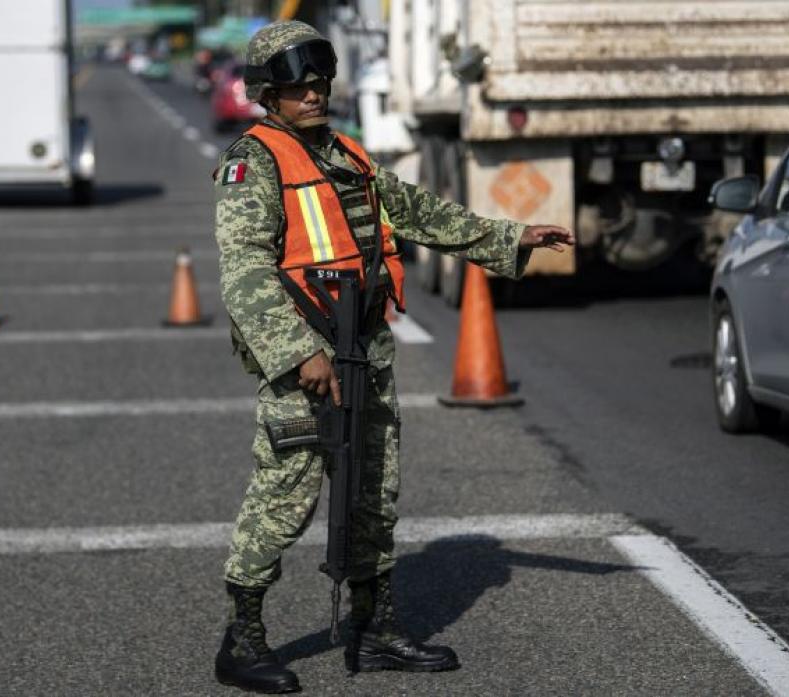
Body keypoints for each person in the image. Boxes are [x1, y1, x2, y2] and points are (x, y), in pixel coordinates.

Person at [212, 20, 574, 694]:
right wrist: (296, 354)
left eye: (320, 80)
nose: (314, 93)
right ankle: (242, 638)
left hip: (364, 353)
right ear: (269, 93)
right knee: (283, 499)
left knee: (374, 492)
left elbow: (420, 212)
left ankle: (375, 629)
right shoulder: (252, 163)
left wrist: (513, 237)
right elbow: (244, 273)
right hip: (308, 361)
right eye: (298, 84)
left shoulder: (348, 155)